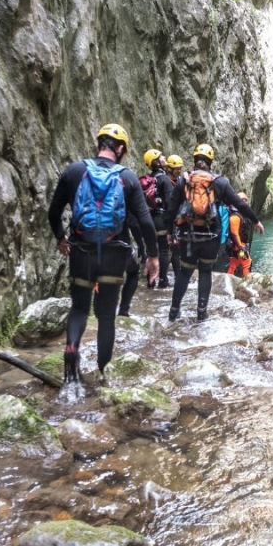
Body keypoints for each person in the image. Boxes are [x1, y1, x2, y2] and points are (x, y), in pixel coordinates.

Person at [47, 123, 159, 383]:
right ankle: (103, 372)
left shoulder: (75, 171)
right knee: (106, 316)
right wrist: (153, 257)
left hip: (81, 252)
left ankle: (72, 349)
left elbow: (53, 212)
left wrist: (61, 238)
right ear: (120, 149)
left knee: (79, 309)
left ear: (99, 144)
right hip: (114, 256)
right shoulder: (128, 177)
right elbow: (145, 221)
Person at [165, 143, 263, 323]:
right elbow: (239, 204)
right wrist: (255, 220)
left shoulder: (183, 181)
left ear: (194, 161)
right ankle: (201, 313)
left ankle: (173, 311)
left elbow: (171, 210)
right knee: (205, 272)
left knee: (185, 272)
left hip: (188, 234)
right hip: (211, 235)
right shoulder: (219, 182)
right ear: (210, 162)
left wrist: (169, 232)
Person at [139, 145, 174, 288]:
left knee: (151, 249)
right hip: (161, 219)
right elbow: (170, 204)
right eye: (161, 157)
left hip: (148, 219)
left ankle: (150, 281)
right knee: (164, 250)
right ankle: (163, 280)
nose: (164, 158)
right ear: (157, 162)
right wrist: (172, 225)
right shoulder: (165, 180)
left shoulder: (146, 180)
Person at [226, 192, 255, 277]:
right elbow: (234, 233)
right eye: (242, 200)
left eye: (245, 200)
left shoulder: (240, 215)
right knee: (247, 262)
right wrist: (241, 247)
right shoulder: (235, 217)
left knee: (234, 262)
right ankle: (247, 281)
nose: (244, 202)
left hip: (237, 247)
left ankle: (227, 279)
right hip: (239, 247)